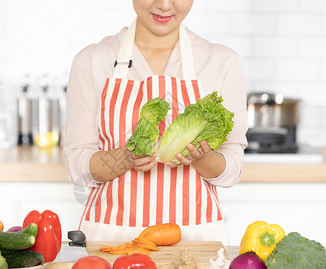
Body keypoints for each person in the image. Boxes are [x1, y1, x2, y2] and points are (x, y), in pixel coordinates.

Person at [63, 0, 248, 245]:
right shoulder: (91, 61)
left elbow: (233, 165)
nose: (163, 5)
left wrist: (205, 160)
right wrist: (123, 158)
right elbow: (77, 165)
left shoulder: (222, 62)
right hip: (111, 240)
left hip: (194, 240)